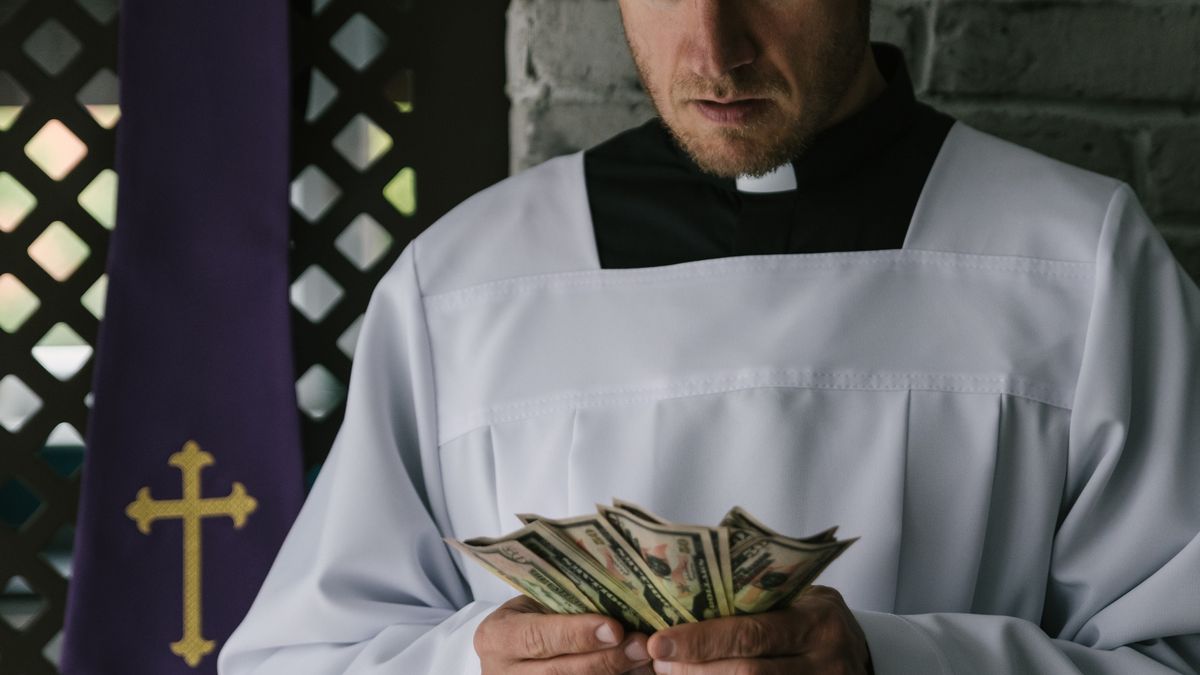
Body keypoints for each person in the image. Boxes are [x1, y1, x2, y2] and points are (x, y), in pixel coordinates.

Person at [219, 0, 1200, 673]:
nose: (714, 49)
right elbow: (299, 659)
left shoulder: (1076, 265)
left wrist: (893, 662)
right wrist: (472, 662)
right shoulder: (465, 285)